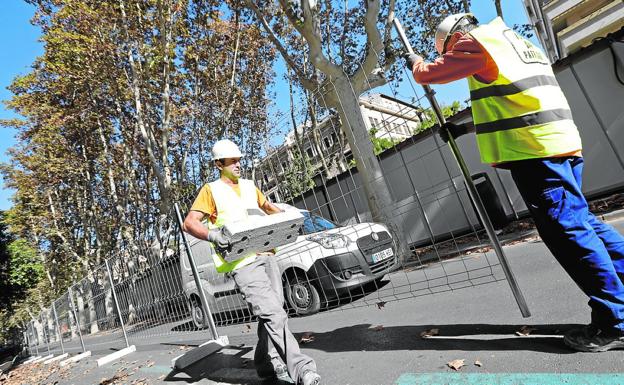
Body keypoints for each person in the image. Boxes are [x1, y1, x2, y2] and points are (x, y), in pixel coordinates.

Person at [404, 14, 624, 352]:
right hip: (558, 143)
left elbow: (431, 74)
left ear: (454, 38)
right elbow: (514, 102)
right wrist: (464, 129)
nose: (451, 55)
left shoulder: (473, 41)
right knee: (584, 223)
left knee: (569, 232)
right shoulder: (513, 42)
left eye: (447, 49)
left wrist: (417, 63)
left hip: (536, 153)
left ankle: (615, 322)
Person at [183, 139, 321, 384]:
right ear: (219, 163)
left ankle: (264, 363)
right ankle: (302, 369)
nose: (238, 164)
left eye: (239, 159)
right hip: (241, 263)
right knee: (272, 313)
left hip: (267, 255)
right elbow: (190, 222)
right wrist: (212, 234)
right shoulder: (210, 190)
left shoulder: (249, 186)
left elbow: (268, 207)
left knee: (274, 312)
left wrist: (290, 219)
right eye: (232, 160)